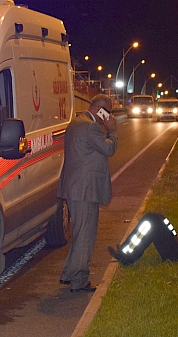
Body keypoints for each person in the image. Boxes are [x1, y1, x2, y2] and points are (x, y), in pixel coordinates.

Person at [58, 94, 118, 292]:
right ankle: (76, 278)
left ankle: (72, 274)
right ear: (101, 109)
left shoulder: (76, 121)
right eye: (107, 113)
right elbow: (108, 150)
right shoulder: (91, 127)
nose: (107, 118)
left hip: (75, 188)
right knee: (85, 236)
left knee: (80, 233)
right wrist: (112, 132)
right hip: (85, 190)